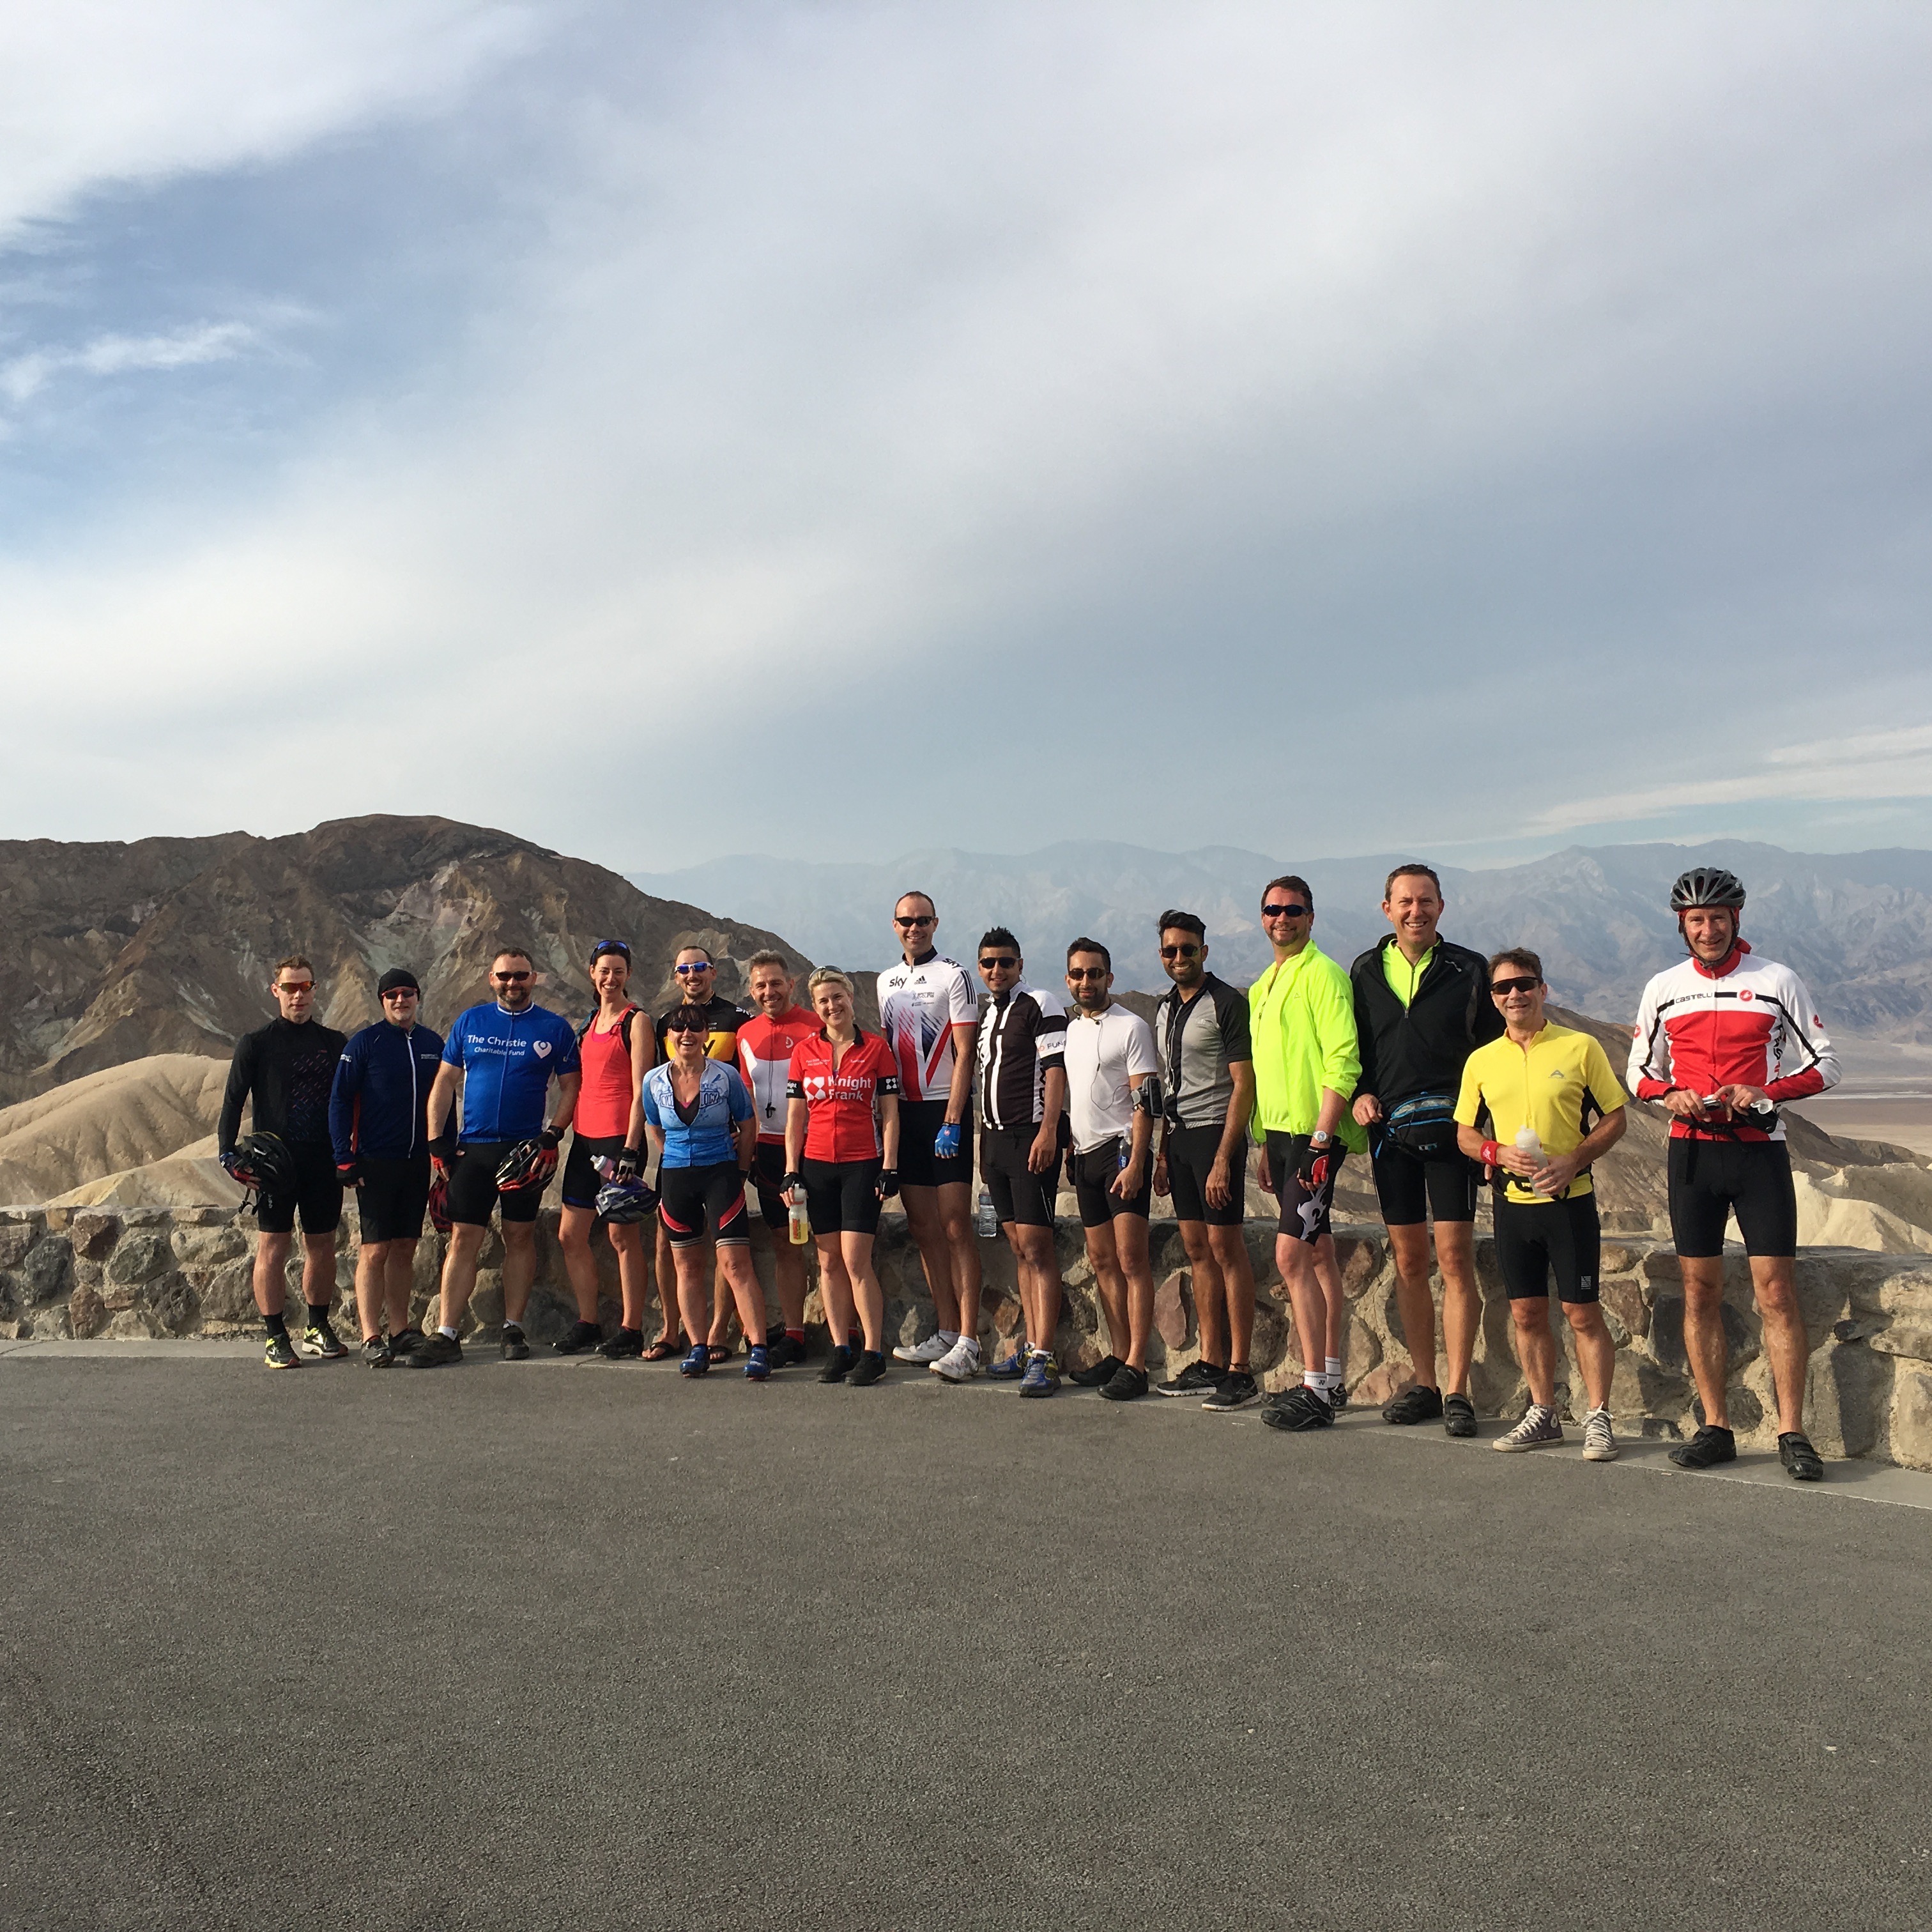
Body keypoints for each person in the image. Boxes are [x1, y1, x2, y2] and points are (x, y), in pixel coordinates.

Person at [1627, 867, 1839, 1480]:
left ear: (1736, 920)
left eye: (1719, 918)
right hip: (1692, 1154)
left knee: (1776, 1293)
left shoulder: (1776, 981)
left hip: (1758, 1152)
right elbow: (1637, 1072)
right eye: (1697, 919)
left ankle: (1791, 1432)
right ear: (1681, 926)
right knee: (1700, 1292)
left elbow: (1827, 1066)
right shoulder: (1664, 987)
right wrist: (1668, 1094)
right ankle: (1716, 1426)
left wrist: (1766, 1092)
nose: (1709, 929)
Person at [1455, 950, 1629, 1457]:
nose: (1515, 995)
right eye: (1504, 988)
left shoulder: (1580, 1048)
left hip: (1569, 1203)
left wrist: (1576, 1158)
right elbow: (1465, 1134)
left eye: (1525, 984)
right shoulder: (1482, 1061)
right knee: (1527, 1314)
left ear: (1543, 989)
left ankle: (1598, 1417)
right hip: (1511, 1205)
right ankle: (1543, 1413)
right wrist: (1494, 1150)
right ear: (1493, 998)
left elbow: (1615, 1117)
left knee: (1582, 1315)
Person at [1349, 865, 1502, 1438]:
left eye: (1426, 901)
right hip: (1390, 1136)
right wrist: (1362, 1093)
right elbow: (1356, 1048)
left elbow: (1493, 1051)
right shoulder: (1364, 971)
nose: (1416, 911)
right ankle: (1425, 1383)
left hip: (1452, 1136)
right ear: (1386, 907)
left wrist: (1484, 1128)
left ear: (1442, 906)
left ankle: (1458, 1389)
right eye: (1405, 902)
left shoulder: (1469, 969)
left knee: (1456, 1262)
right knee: (1411, 1263)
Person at [403, 948, 581, 1368]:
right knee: (464, 1239)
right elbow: (445, 1081)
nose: (512, 983)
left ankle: (513, 1327)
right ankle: (447, 1333)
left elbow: (572, 1086)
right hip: (474, 1150)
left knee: (519, 1237)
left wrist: (553, 1134)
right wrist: (436, 1142)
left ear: (534, 978)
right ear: (491, 978)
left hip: (525, 1151)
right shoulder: (471, 1021)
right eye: (505, 976)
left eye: (521, 976)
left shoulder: (554, 1028)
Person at [1243, 878, 1370, 1434]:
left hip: (1314, 1138)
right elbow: (1267, 1072)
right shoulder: (1261, 987)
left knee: (1291, 1258)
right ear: (1263, 917)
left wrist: (1321, 1137)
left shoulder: (1325, 975)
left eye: (1293, 910)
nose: (1283, 918)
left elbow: (1343, 1057)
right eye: (1273, 910)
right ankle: (1333, 1377)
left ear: (1311, 917)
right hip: (1280, 1134)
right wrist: (1260, 1141)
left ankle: (1315, 1387)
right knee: (1317, 1253)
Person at [218, 954, 349, 1370]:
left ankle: (316, 1326)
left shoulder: (334, 1043)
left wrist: (350, 1153)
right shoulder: (256, 1044)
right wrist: (228, 1154)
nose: (298, 995)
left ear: (315, 990)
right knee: (273, 1247)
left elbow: (348, 1103)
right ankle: (275, 1335)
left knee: (323, 1245)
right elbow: (232, 1102)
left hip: (323, 1161)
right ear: (275, 990)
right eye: (290, 987)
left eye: (305, 987)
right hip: (276, 1166)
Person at [1151, 911, 1261, 1409]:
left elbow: (1244, 1084)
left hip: (1217, 1135)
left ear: (1204, 952)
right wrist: (1161, 1152)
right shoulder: (1163, 1008)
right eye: (1171, 950)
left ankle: (1240, 1370)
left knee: (1226, 1248)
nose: (1179, 958)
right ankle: (1211, 1361)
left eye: (1188, 950)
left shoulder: (1226, 1003)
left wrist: (1223, 1160)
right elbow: (1166, 1087)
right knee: (1197, 1250)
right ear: (1162, 955)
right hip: (1179, 1140)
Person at [878, 892, 983, 1377]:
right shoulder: (886, 982)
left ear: (936, 924)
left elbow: (965, 1052)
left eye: (922, 921)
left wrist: (954, 1120)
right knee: (923, 1229)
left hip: (944, 1109)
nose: (914, 928)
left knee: (956, 1225)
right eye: (906, 921)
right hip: (907, 1113)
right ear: (894, 925)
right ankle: (944, 1331)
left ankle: (969, 1340)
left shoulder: (954, 975)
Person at [781, 968, 902, 1387]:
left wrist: (890, 1166)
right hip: (815, 1166)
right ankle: (840, 1348)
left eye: (838, 997)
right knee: (828, 1261)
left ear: (851, 998)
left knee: (855, 1260)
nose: (832, 1006)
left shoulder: (876, 1049)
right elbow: (796, 1119)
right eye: (823, 1001)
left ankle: (873, 1351)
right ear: (815, 1008)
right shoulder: (803, 1052)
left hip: (861, 1163)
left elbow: (889, 1114)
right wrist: (790, 1170)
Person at [642, 1004, 769, 1379]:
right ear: (668, 1038)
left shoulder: (726, 1076)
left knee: (735, 1264)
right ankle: (697, 1345)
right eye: (679, 1029)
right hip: (677, 1176)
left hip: (721, 1174)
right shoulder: (654, 1081)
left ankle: (759, 1348)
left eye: (695, 1028)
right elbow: (655, 1127)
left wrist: (741, 1169)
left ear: (705, 1036)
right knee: (688, 1266)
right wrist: (677, 1157)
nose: (687, 1035)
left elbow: (748, 1125)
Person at [327, 967, 445, 1366]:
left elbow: (443, 1100)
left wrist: (445, 1148)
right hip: (375, 1160)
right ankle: (370, 1335)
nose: (401, 1001)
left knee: (405, 1248)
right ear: (382, 1001)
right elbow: (340, 1101)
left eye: (407, 993)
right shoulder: (365, 1043)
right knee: (375, 1249)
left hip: (416, 1162)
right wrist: (343, 1156)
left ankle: (400, 1331)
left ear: (417, 997)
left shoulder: (432, 1043)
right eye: (392, 995)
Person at [1060, 939, 1160, 1401]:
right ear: (1068, 979)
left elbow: (1146, 1102)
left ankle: (1138, 1363)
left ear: (1109, 978)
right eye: (1078, 974)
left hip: (1121, 1154)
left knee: (1131, 1260)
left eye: (1095, 974)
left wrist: (1140, 1160)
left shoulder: (1132, 1028)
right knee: (1102, 1261)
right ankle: (1118, 1354)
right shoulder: (1071, 1029)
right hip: (1084, 1156)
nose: (1086, 982)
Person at [970, 930, 1070, 1397]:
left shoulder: (1040, 1003)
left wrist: (1050, 1131)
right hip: (993, 1142)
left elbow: (1055, 1069)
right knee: (1015, 1246)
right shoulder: (988, 1013)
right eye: (988, 963)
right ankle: (1031, 1347)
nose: (997, 970)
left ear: (1020, 962)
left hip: (1030, 1137)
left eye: (1005, 962)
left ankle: (1046, 1357)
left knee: (1037, 1246)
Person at [650, 945, 750, 1362]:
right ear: (676, 977)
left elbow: (745, 1085)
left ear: (714, 972)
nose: (692, 975)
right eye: (684, 969)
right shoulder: (665, 1023)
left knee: (725, 1246)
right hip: (677, 1156)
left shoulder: (737, 1020)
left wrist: (742, 1149)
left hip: (721, 1151)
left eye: (700, 967)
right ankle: (672, 1329)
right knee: (665, 1242)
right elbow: (657, 1089)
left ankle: (718, 1332)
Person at [555, 940, 653, 1358]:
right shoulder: (589, 1023)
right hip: (584, 1140)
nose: (610, 978)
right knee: (569, 1234)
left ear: (628, 975)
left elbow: (641, 1090)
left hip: (619, 1141)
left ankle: (631, 1328)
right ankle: (589, 1321)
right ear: (592, 973)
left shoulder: (637, 1021)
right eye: (603, 971)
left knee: (621, 1235)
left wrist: (631, 1148)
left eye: (618, 971)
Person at [735, 951, 821, 1369]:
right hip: (768, 1151)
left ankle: (851, 1333)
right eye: (760, 986)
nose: (769, 992)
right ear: (752, 991)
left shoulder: (814, 1026)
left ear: (792, 984)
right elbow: (747, 1096)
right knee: (785, 1243)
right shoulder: (746, 1033)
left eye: (776, 983)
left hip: (815, 1147)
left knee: (831, 1245)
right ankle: (794, 1332)